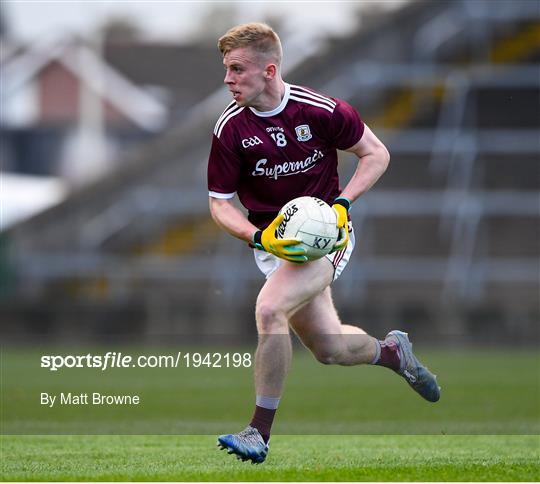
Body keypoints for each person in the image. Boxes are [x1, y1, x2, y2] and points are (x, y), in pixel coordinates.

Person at [207, 22, 440, 464]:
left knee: (269, 309)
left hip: (327, 235)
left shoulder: (322, 110)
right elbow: (219, 205)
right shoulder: (230, 129)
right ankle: (392, 353)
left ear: (269, 70)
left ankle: (258, 432)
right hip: (274, 246)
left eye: (237, 69)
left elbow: (376, 153)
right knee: (329, 348)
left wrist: (341, 206)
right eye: (227, 70)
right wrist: (260, 236)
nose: (228, 79)